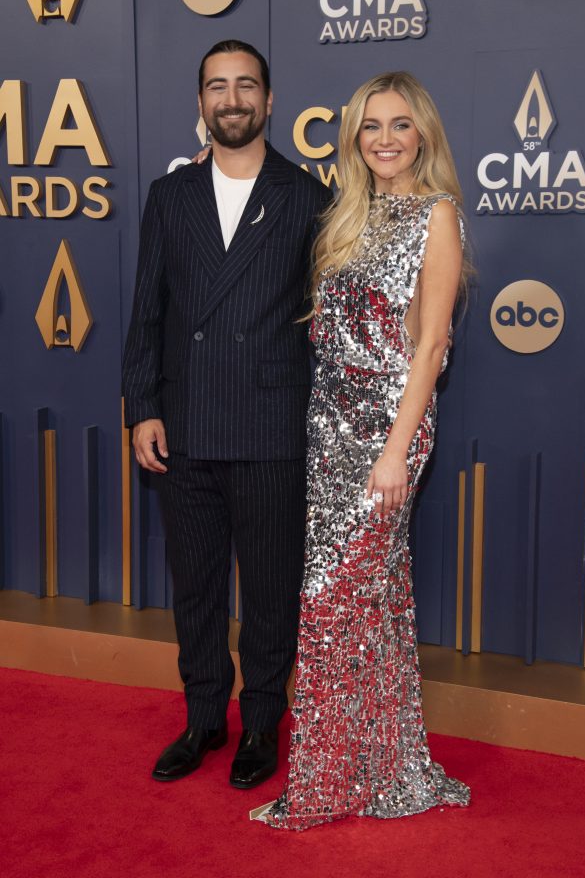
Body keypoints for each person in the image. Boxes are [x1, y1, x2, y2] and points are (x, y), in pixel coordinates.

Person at [255, 71, 472, 829]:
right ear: (353, 139)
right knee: (373, 602)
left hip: (389, 430)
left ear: (423, 135)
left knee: (332, 601)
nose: (385, 139)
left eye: (400, 124)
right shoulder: (348, 213)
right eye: (371, 126)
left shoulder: (436, 214)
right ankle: (380, 768)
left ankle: (324, 784)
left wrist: (395, 451)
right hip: (329, 427)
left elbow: (433, 343)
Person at [122, 40, 332, 789]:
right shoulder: (168, 195)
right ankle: (204, 717)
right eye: (218, 86)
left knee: (271, 591)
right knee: (198, 586)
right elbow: (147, 312)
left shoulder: (307, 197)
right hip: (184, 424)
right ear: (201, 102)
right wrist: (142, 406)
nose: (232, 99)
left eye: (246, 85)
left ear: (269, 101)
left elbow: (329, 322)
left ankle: (263, 722)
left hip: (271, 424)